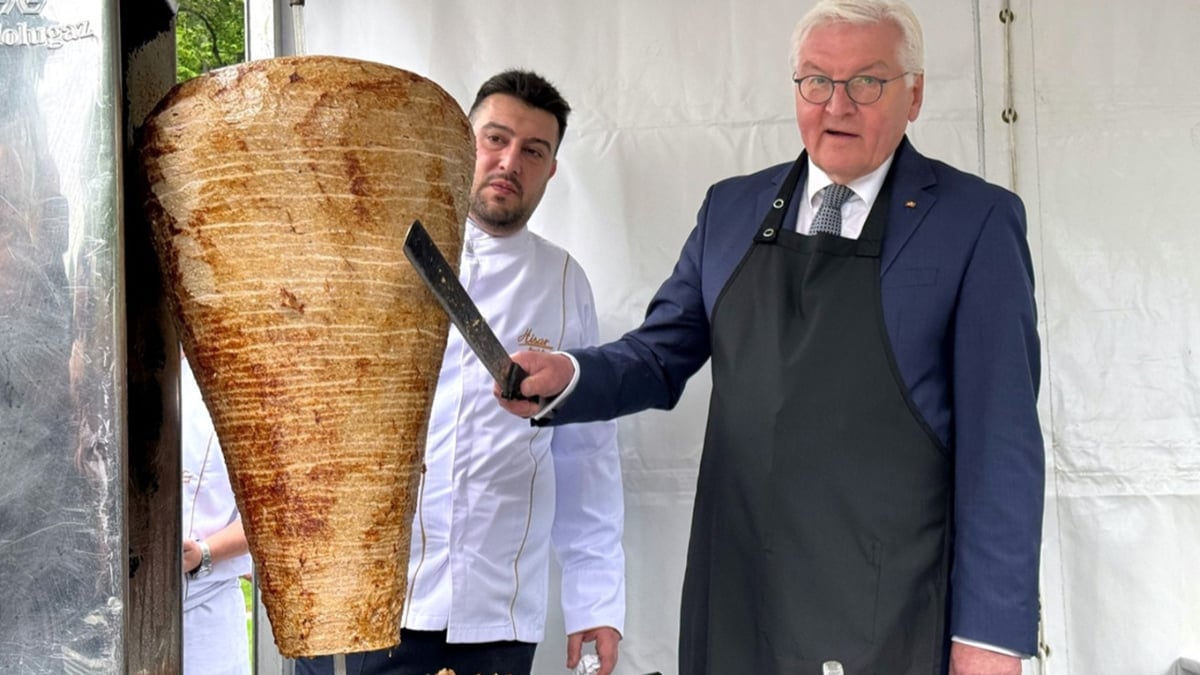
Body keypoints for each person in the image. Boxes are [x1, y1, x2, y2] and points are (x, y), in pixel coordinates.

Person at [498, 2, 1045, 674]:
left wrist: (989, 637)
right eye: (817, 81)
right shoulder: (732, 208)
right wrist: (570, 378)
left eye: (867, 82)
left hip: (887, 602)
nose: (837, 104)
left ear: (915, 94)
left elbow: (1003, 443)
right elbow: (658, 355)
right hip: (739, 594)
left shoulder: (974, 220)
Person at [296, 70, 625, 675]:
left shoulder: (562, 281)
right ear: (461, 142)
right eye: (494, 140)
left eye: (533, 150)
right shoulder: (377, 253)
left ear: (551, 169)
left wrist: (595, 601)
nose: (509, 162)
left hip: (494, 611)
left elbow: (587, 457)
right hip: (364, 601)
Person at [181, 353, 254, 675]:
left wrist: (204, 553)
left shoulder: (240, 379)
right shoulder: (103, 361)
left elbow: (271, 514)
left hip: (207, 614)